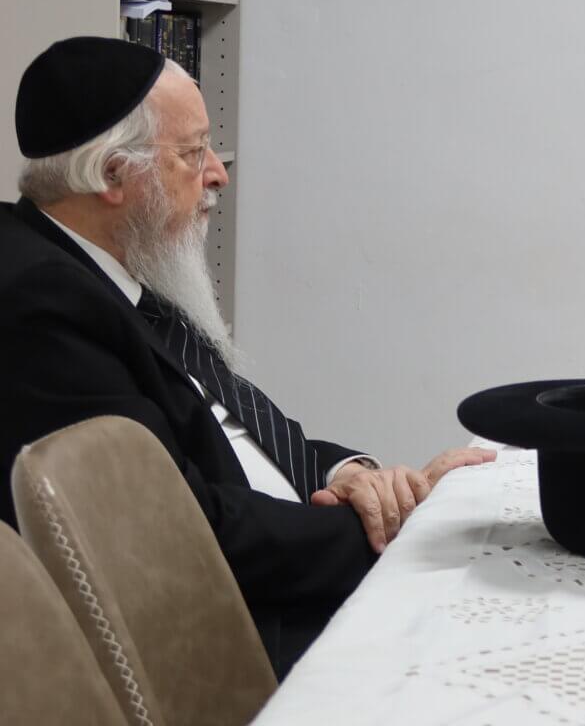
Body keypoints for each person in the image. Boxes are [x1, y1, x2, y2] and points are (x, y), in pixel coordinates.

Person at [0, 37, 497, 675]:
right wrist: (399, 528)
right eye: (192, 152)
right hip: (239, 637)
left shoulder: (114, 265)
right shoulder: (41, 305)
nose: (218, 173)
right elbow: (174, 532)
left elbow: (239, 429)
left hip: (290, 561)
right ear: (112, 176)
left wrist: (347, 475)